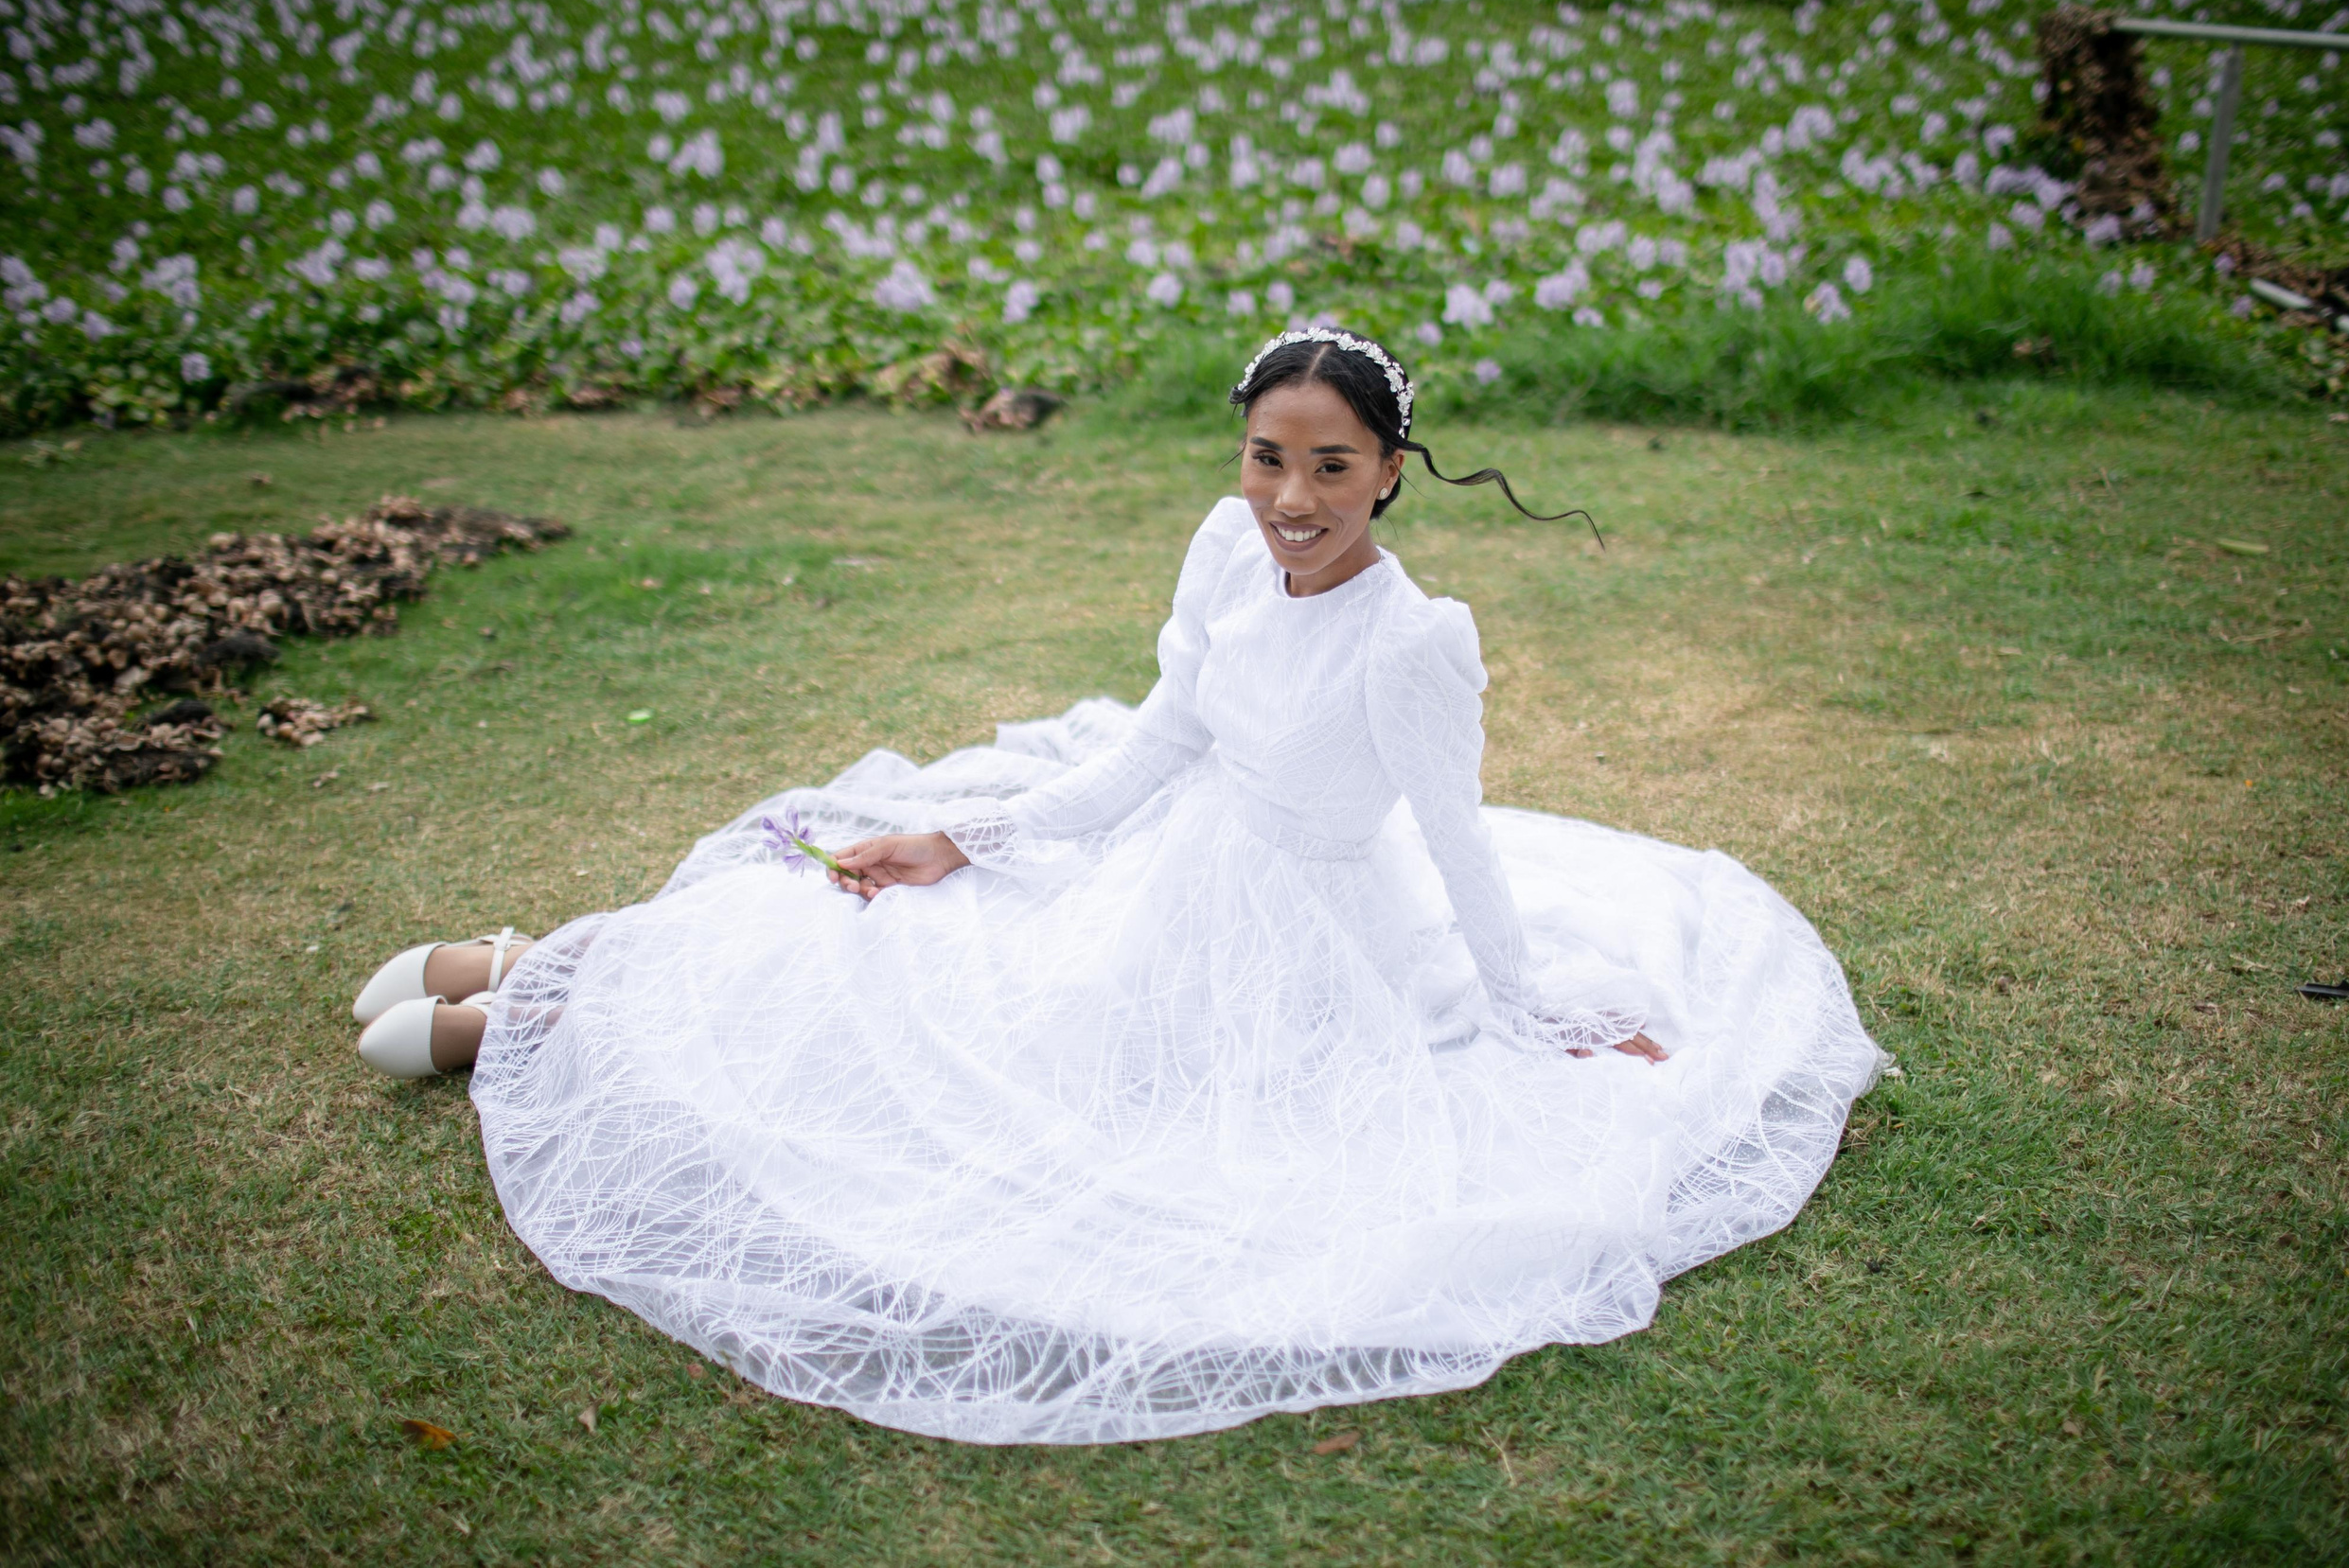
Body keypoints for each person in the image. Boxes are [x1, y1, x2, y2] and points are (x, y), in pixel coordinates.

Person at [350, 327, 1885, 1445]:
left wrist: (1532, 1011)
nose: (1293, 494)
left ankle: (540, 1012)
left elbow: (1462, 840)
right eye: (1269, 455)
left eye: (1332, 465)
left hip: (1317, 931)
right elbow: (1159, 745)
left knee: (1019, 1084)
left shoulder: (1416, 642)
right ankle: (561, 972)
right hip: (1174, 860)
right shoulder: (1229, 546)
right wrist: (975, 834)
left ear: (1392, 474)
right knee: (915, 924)